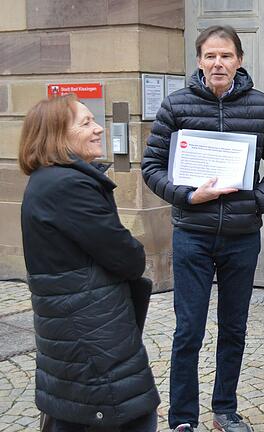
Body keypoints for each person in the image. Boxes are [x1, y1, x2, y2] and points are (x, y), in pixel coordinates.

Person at [141, 25, 264, 432]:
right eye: (210, 56)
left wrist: (257, 200)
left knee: (234, 328)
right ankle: (183, 418)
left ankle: (225, 409)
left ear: (239, 60)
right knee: (188, 329)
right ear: (199, 62)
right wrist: (188, 198)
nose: (218, 63)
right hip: (192, 232)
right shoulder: (176, 106)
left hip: (241, 237)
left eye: (225, 55)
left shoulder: (262, 106)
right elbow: (151, 168)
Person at [18, 94, 160, 431]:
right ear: (56, 135)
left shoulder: (50, 180)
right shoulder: (68, 185)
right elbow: (127, 257)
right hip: (92, 330)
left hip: (80, 329)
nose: (98, 129)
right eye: (85, 123)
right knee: (123, 411)